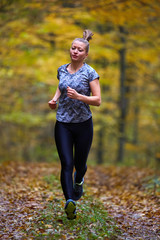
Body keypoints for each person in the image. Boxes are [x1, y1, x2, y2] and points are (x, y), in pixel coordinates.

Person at [48, 29, 101, 220]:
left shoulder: (90, 72)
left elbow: (97, 100)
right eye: (73, 48)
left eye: (79, 50)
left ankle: (79, 180)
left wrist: (79, 97)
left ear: (85, 54)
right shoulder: (61, 69)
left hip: (83, 124)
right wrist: (54, 99)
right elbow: (61, 86)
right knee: (66, 164)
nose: (75, 51)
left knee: (80, 164)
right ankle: (69, 202)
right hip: (63, 123)